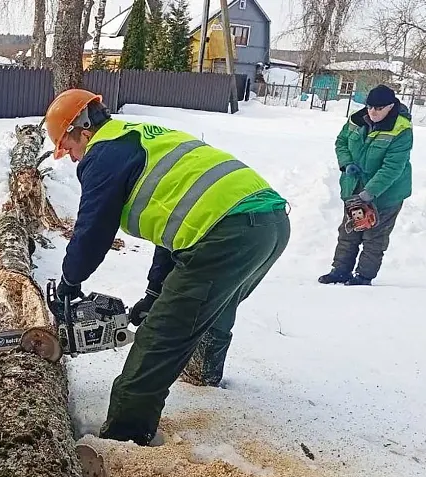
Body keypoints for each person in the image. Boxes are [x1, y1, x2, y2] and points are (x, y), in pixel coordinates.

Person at [44, 88, 291, 446]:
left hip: (227, 231)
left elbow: (93, 230)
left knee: (161, 336)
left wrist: (70, 280)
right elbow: (175, 224)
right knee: (214, 304)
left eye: (70, 149)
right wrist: (154, 293)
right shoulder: (140, 137)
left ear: (82, 131)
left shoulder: (104, 153)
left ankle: (124, 440)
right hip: (269, 223)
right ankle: (204, 373)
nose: (72, 158)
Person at [319, 84, 414, 286]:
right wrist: (347, 164)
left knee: (374, 235)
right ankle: (340, 271)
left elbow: (393, 168)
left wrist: (370, 192)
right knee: (349, 231)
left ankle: (363, 277)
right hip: (354, 187)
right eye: (370, 106)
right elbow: (341, 142)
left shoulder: (401, 129)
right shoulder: (356, 119)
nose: (373, 111)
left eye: (379, 108)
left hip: (387, 193)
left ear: (391, 106)